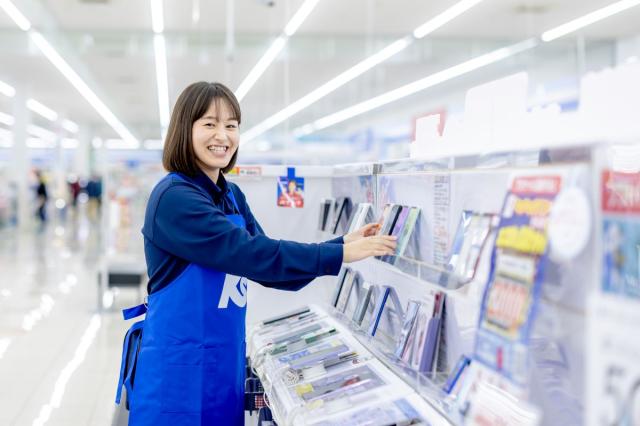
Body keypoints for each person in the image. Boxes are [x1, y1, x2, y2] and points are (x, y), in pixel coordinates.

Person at [116, 82, 396, 425]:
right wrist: (338, 255)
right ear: (183, 130)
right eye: (209, 124)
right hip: (178, 377)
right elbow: (249, 253)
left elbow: (267, 268)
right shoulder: (174, 198)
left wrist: (341, 244)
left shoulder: (230, 194)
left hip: (223, 366)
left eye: (231, 125)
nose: (223, 135)